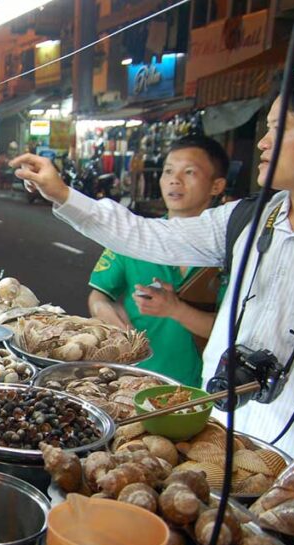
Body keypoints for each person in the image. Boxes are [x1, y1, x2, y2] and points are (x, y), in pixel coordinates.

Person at [13, 64, 294, 455]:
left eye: (281, 128)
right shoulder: (246, 220)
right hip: (215, 443)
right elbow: (146, 235)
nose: (263, 142)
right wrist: (62, 193)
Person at [88, 135, 230, 386]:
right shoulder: (135, 236)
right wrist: (105, 312)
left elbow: (232, 332)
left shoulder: (231, 250)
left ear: (216, 186)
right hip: (133, 382)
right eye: (168, 171)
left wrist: (175, 310)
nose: (175, 180)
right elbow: (99, 295)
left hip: (202, 391)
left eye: (189, 172)